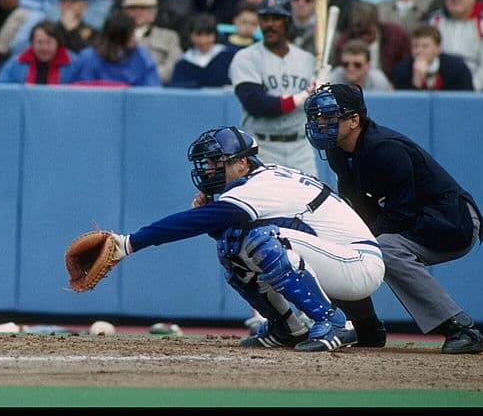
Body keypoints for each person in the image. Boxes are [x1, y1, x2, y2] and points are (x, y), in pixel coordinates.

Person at [100, 124, 383, 351]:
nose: (208, 169)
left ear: (242, 163)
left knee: (263, 240)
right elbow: (234, 235)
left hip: (358, 262)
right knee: (232, 244)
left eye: (216, 161)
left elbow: (189, 224)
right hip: (337, 257)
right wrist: (216, 220)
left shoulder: (260, 185)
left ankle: (333, 321)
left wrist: (129, 243)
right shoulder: (256, 180)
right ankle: (287, 327)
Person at [304, 83, 483, 354]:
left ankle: (461, 327)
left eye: (329, 116)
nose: (321, 123)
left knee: (383, 249)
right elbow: (357, 210)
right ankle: (366, 327)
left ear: (354, 120)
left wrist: (363, 240)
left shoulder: (384, 148)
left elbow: (400, 213)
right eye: (317, 117)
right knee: (335, 245)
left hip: (452, 220)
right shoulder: (338, 150)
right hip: (414, 219)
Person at [228, 0, 317, 177]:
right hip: (263, 147)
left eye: (276, 18)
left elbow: (321, 111)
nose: (270, 24)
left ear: (288, 21)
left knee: (309, 204)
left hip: (301, 147)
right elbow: (256, 104)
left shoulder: (308, 60)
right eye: (265, 18)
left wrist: (323, 90)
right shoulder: (245, 58)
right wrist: (302, 97)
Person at [72, 9, 160, 87]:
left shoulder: (143, 56)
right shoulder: (88, 57)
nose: (134, 38)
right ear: (118, 36)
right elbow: (77, 93)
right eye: (131, 34)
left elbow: (152, 92)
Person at [331, 1, 411, 83]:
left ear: (376, 25)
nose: (364, 38)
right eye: (360, 34)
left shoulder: (396, 36)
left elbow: (406, 66)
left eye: (367, 32)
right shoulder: (344, 43)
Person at [121, 0, 182, 84]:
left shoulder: (169, 37)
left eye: (143, 9)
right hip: (122, 88)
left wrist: (147, 78)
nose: (138, 13)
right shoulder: (116, 36)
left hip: (156, 90)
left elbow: (174, 65)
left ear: (154, 13)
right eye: (132, 9)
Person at [0, 19, 79, 85]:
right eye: (39, 42)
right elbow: (0, 89)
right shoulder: (17, 61)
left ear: (58, 43)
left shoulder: (74, 62)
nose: (44, 47)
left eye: (49, 42)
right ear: (32, 43)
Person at [390, 23, 473, 91]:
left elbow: (466, 101)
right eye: (415, 46)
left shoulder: (457, 68)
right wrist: (417, 82)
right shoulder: (401, 70)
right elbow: (403, 106)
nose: (419, 51)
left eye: (425, 46)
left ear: (438, 49)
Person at [169, 13, 237, 88]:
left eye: (208, 35)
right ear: (190, 36)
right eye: (198, 35)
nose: (203, 41)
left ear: (215, 35)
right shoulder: (182, 64)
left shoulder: (229, 57)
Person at [328, 39, 393, 91]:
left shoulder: (378, 81)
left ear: (368, 65)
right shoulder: (334, 79)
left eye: (357, 65)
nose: (351, 68)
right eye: (346, 64)